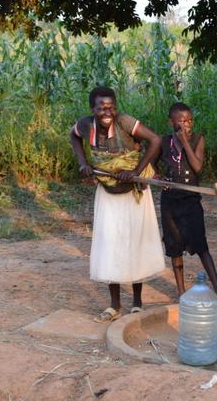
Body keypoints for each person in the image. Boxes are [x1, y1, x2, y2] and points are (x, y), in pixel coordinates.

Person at [69, 86, 166, 322]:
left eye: (111, 107)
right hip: (108, 193)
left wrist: (136, 170)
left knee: (135, 242)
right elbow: (73, 136)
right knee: (110, 245)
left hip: (134, 193)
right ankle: (114, 305)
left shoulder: (124, 122)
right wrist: (83, 162)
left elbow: (155, 140)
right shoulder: (85, 125)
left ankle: (137, 302)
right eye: (102, 107)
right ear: (92, 109)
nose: (107, 111)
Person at [156, 102, 217, 312]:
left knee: (201, 246)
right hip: (170, 202)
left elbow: (197, 166)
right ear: (171, 122)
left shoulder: (197, 139)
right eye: (181, 120)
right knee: (175, 247)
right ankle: (181, 293)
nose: (187, 124)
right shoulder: (164, 141)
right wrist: (155, 174)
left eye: (190, 120)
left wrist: (185, 142)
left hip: (191, 200)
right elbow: (150, 158)